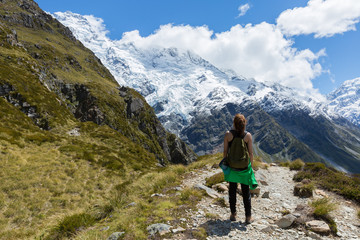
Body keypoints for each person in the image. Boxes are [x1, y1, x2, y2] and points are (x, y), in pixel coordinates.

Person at [222, 113, 257, 223]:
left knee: (232, 191)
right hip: (244, 168)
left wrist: (226, 164)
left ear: (234, 123)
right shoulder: (248, 136)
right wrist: (251, 167)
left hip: (232, 167)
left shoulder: (228, 134)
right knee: (246, 192)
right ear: (244, 124)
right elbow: (251, 153)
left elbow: (225, 151)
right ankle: (248, 217)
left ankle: (233, 214)